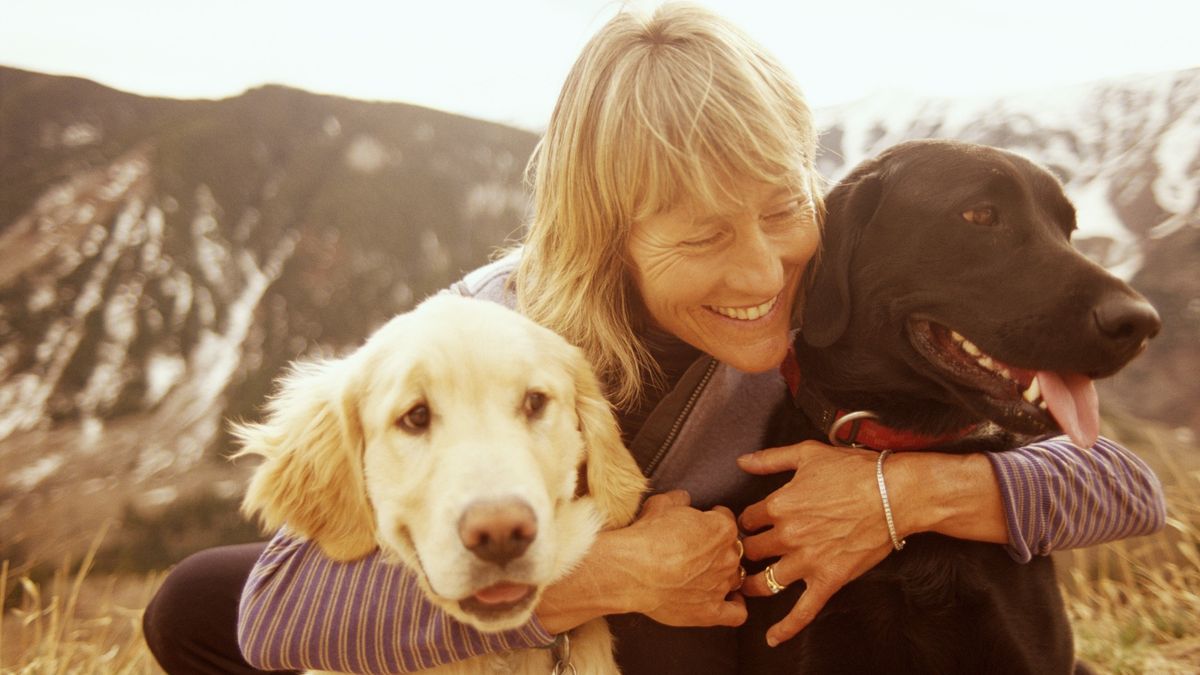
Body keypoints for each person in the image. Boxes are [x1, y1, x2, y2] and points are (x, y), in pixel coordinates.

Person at [143, 3, 1166, 673]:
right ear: (609, 237)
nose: (762, 272)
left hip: (729, 633)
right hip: (595, 612)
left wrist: (908, 492)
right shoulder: (503, 331)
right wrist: (612, 575)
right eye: (701, 236)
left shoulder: (843, 281)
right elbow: (276, 612)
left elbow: (1121, 485)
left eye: (778, 208)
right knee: (192, 602)